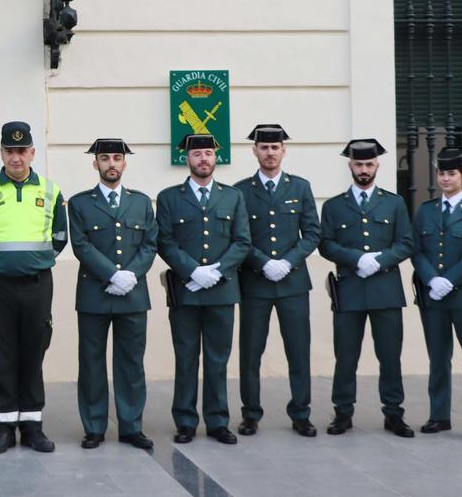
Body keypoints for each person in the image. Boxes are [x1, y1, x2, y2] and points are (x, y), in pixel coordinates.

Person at [0, 121, 68, 454]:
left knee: (34, 352)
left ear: (32, 153)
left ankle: (33, 427)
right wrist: (0, 266)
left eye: (22, 151)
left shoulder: (50, 191)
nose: (16, 158)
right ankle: (4, 428)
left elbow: (59, 239)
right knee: (3, 354)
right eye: (10, 152)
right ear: (1, 153)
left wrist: (33, 264)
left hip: (38, 285)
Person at [156, 133, 250, 446]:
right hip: (186, 290)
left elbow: (242, 242)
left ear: (215, 158)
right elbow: (165, 241)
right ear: (187, 159)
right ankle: (185, 421)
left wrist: (217, 271)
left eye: (208, 153)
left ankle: (218, 421)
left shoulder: (233, 196)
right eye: (197, 154)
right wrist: (192, 270)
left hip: (222, 291)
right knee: (186, 358)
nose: (203, 159)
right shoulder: (170, 197)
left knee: (217, 359)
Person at [318, 139, 415, 438]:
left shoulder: (394, 202)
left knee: (389, 356)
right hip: (349, 289)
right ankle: (342, 413)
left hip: (386, 290)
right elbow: (325, 244)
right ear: (350, 166)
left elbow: (407, 243)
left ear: (377, 166)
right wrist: (356, 258)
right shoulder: (334, 205)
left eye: (369, 164)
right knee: (345, 356)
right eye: (358, 164)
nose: (363, 169)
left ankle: (394, 414)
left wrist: (382, 260)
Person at [68, 138, 156, 451]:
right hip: (95, 293)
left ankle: (131, 426)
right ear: (96, 164)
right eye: (105, 158)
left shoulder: (142, 202)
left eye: (117, 158)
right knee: (91, 363)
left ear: (124, 163)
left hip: (132, 294)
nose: (111, 164)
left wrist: (130, 274)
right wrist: (112, 274)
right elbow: (81, 245)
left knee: (131, 363)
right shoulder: (79, 203)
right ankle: (94, 426)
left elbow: (150, 244)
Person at [233, 124, 320, 438]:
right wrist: (262, 262)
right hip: (255, 283)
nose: (270, 153)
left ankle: (301, 413)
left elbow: (312, 233)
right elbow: (238, 237)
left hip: (293, 283)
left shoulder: (300, 187)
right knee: (251, 352)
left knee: (298, 351)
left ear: (284, 151)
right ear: (254, 151)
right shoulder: (240, 191)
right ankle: (250, 414)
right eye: (264, 147)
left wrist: (288, 261)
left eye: (275, 147)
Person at [411, 146, 462, 442]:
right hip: (434, 296)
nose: (445, 179)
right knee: (438, 358)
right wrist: (432, 280)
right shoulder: (426, 211)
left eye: (451, 173)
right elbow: (417, 250)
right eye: (441, 173)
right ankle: (439, 415)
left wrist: (450, 280)